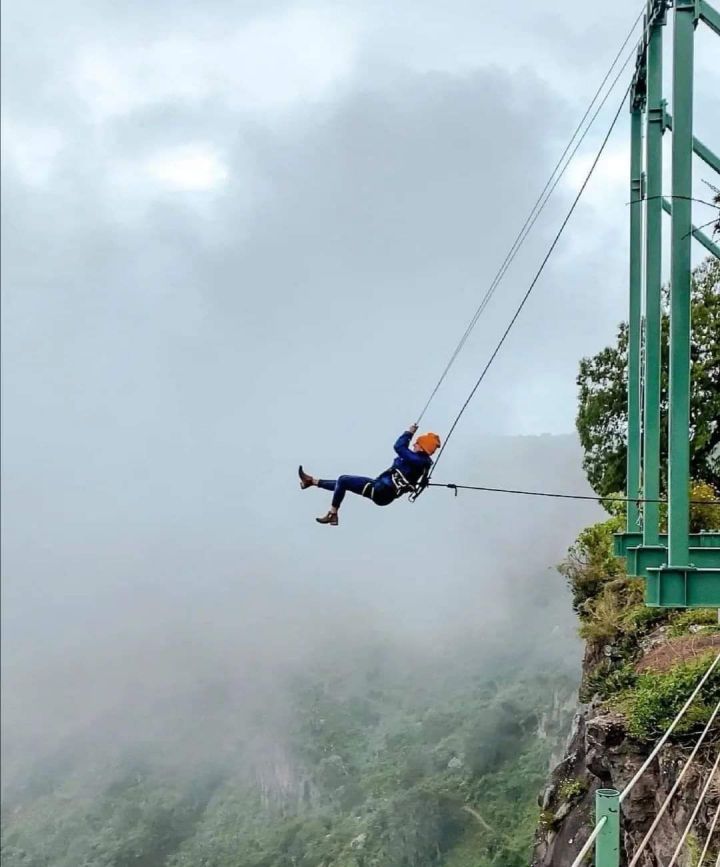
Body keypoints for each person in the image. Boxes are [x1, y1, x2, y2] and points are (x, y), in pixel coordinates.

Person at [298, 424, 441, 526]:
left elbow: (398, 447)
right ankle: (312, 482)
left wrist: (409, 433)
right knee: (344, 483)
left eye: (416, 443)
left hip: (381, 490)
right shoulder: (421, 463)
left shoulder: (416, 460)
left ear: (422, 447)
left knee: (343, 479)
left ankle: (332, 513)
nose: (414, 445)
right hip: (381, 489)